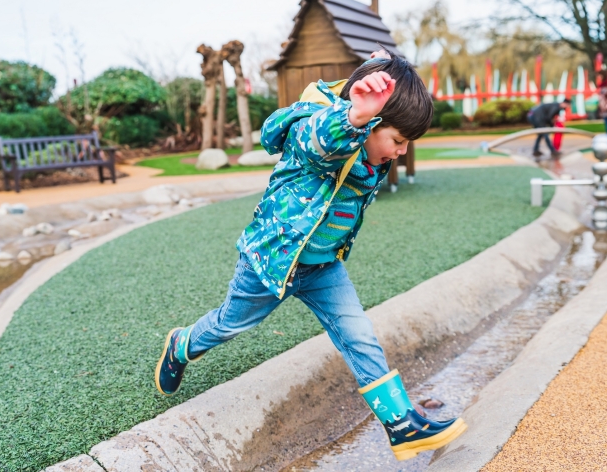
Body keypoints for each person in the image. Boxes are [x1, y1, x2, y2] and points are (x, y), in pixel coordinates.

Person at [154, 50, 467, 461]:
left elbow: (369, 121)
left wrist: (382, 71)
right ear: (369, 121)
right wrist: (353, 117)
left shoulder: (371, 157)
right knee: (230, 324)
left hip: (322, 268)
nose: (402, 152)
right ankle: (182, 344)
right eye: (397, 141)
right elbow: (318, 144)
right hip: (271, 261)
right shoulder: (318, 130)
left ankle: (401, 423)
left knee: (359, 335)